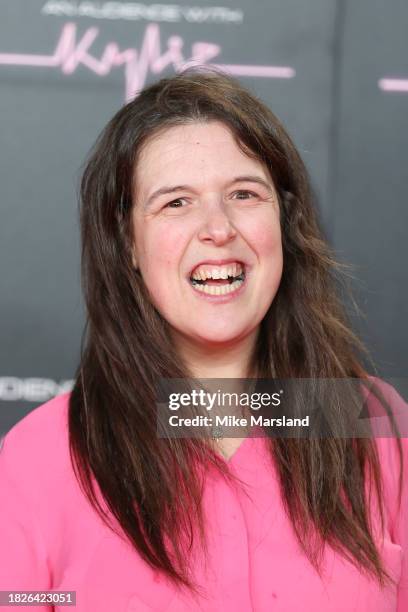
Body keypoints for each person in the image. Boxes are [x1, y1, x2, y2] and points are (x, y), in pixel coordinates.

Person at [0, 67, 407, 611]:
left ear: (283, 223)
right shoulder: (38, 458)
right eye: (175, 202)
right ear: (129, 246)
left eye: (243, 193)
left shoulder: (375, 423)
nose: (218, 228)